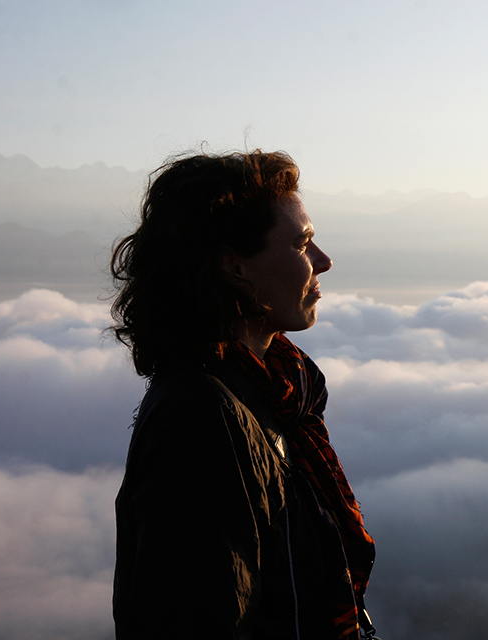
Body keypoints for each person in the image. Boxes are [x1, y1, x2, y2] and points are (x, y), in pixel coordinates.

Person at [109, 150, 376, 639]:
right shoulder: (199, 418)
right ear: (235, 266)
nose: (324, 261)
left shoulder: (276, 396)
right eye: (302, 244)